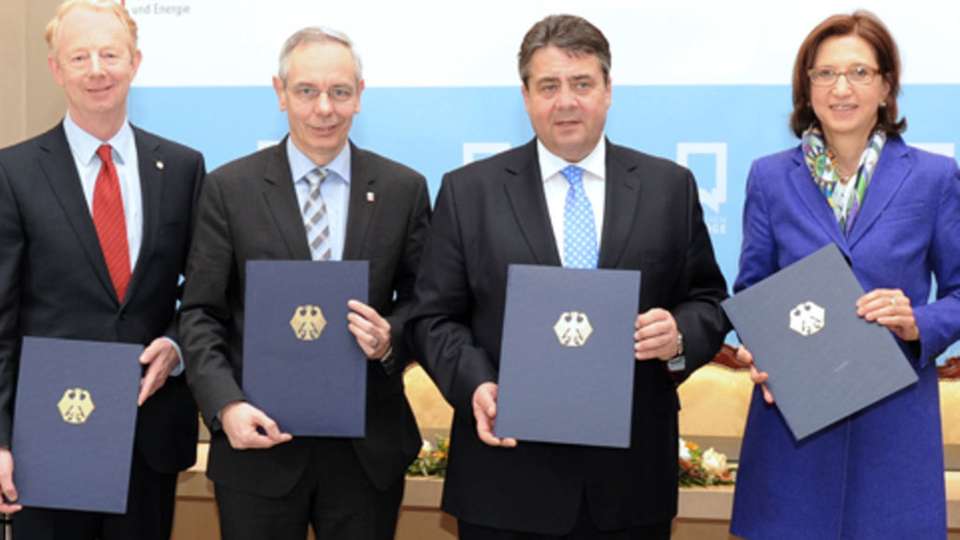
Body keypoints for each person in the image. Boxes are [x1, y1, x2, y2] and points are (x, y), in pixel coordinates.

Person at [407, 14, 729, 540]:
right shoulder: (470, 192)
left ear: (607, 89)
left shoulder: (669, 187)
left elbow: (709, 301)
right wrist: (476, 384)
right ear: (527, 95)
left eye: (582, 84)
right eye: (549, 86)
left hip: (630, 483)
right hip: (506, 479)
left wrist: (678, 336)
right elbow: (433, 318)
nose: (566, 101)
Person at [179, 26, 430, 540]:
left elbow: (426, 305)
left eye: (340, 92)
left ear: (360, 95)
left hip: (366, 454)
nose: (324, 109)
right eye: (307, 91)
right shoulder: (230, 189)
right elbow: (201, 313)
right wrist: (226, 406)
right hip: (258, 444)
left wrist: (390, 339)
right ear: (280, 93)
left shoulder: (404, 189)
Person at [730, 11, 960, 539]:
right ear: (805, 87)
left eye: (859, 73)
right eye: (825, 74)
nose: (841, 88)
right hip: (793, 431)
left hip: (894, 432)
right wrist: (761, 346)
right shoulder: (769, 177)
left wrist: (916, 322)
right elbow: (751, 291)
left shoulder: (933, 177)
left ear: (885, 86)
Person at [0, 0, 204, 538]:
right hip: (48, 438)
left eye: (110, 54)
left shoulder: (183, 168)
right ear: (55, 69)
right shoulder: (12, 172)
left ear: (135, 62)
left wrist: (178, 346)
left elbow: (206, 294)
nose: (97, 70)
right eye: (80, 56)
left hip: (147, 432)